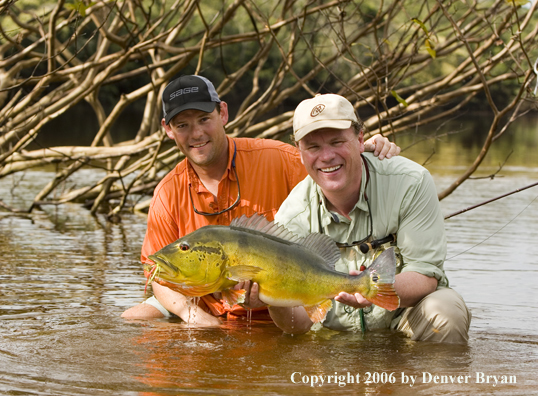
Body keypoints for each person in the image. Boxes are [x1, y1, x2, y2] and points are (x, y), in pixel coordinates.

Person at [121, 76, 401, 324]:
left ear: (223, 113)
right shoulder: (167, 192)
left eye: (204, 119)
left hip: (281, 301)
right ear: (168, 129)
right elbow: (156, 273)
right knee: (134, 319)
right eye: (182, 125)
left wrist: (362, 151)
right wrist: (194, 317)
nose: (196, 134)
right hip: (202, 304)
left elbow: (329, 165)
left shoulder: (278, 160)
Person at [262, 93, 471, 343]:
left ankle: (433, 383)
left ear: (360, 139)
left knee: (445, 313)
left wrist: (371, 288)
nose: (326, 156)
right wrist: (271, 299)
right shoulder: (291, 217)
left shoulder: (410, 182)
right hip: (333, 334)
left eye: (337, 141)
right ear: (300, 152)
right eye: (313, 147)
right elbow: (298, 325)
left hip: (402, 316)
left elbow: (425, 274)